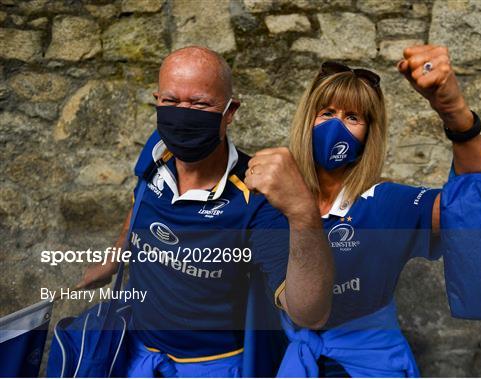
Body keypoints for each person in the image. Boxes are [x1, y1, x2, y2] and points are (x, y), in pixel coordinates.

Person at [245, 44, 481, 377]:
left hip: (373, 366)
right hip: (300, 364)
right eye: (327, 113)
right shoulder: (271, 203)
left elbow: (470, 206)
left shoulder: (385, 202)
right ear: (307, 120)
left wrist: (454, 111)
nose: (337, 126)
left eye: (352, 117)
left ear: (368, 134)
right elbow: (304, 312)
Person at [76, 46, 334, 377]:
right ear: (157, 100)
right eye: (170, 102)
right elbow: (138, 203)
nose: (182, 115)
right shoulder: (157, 150)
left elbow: (309, 314)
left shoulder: (255, 197)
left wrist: (304, 214)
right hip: (137, 354)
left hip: (213, 365)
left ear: (230, 111)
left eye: (199, 104)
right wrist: (113, 260)